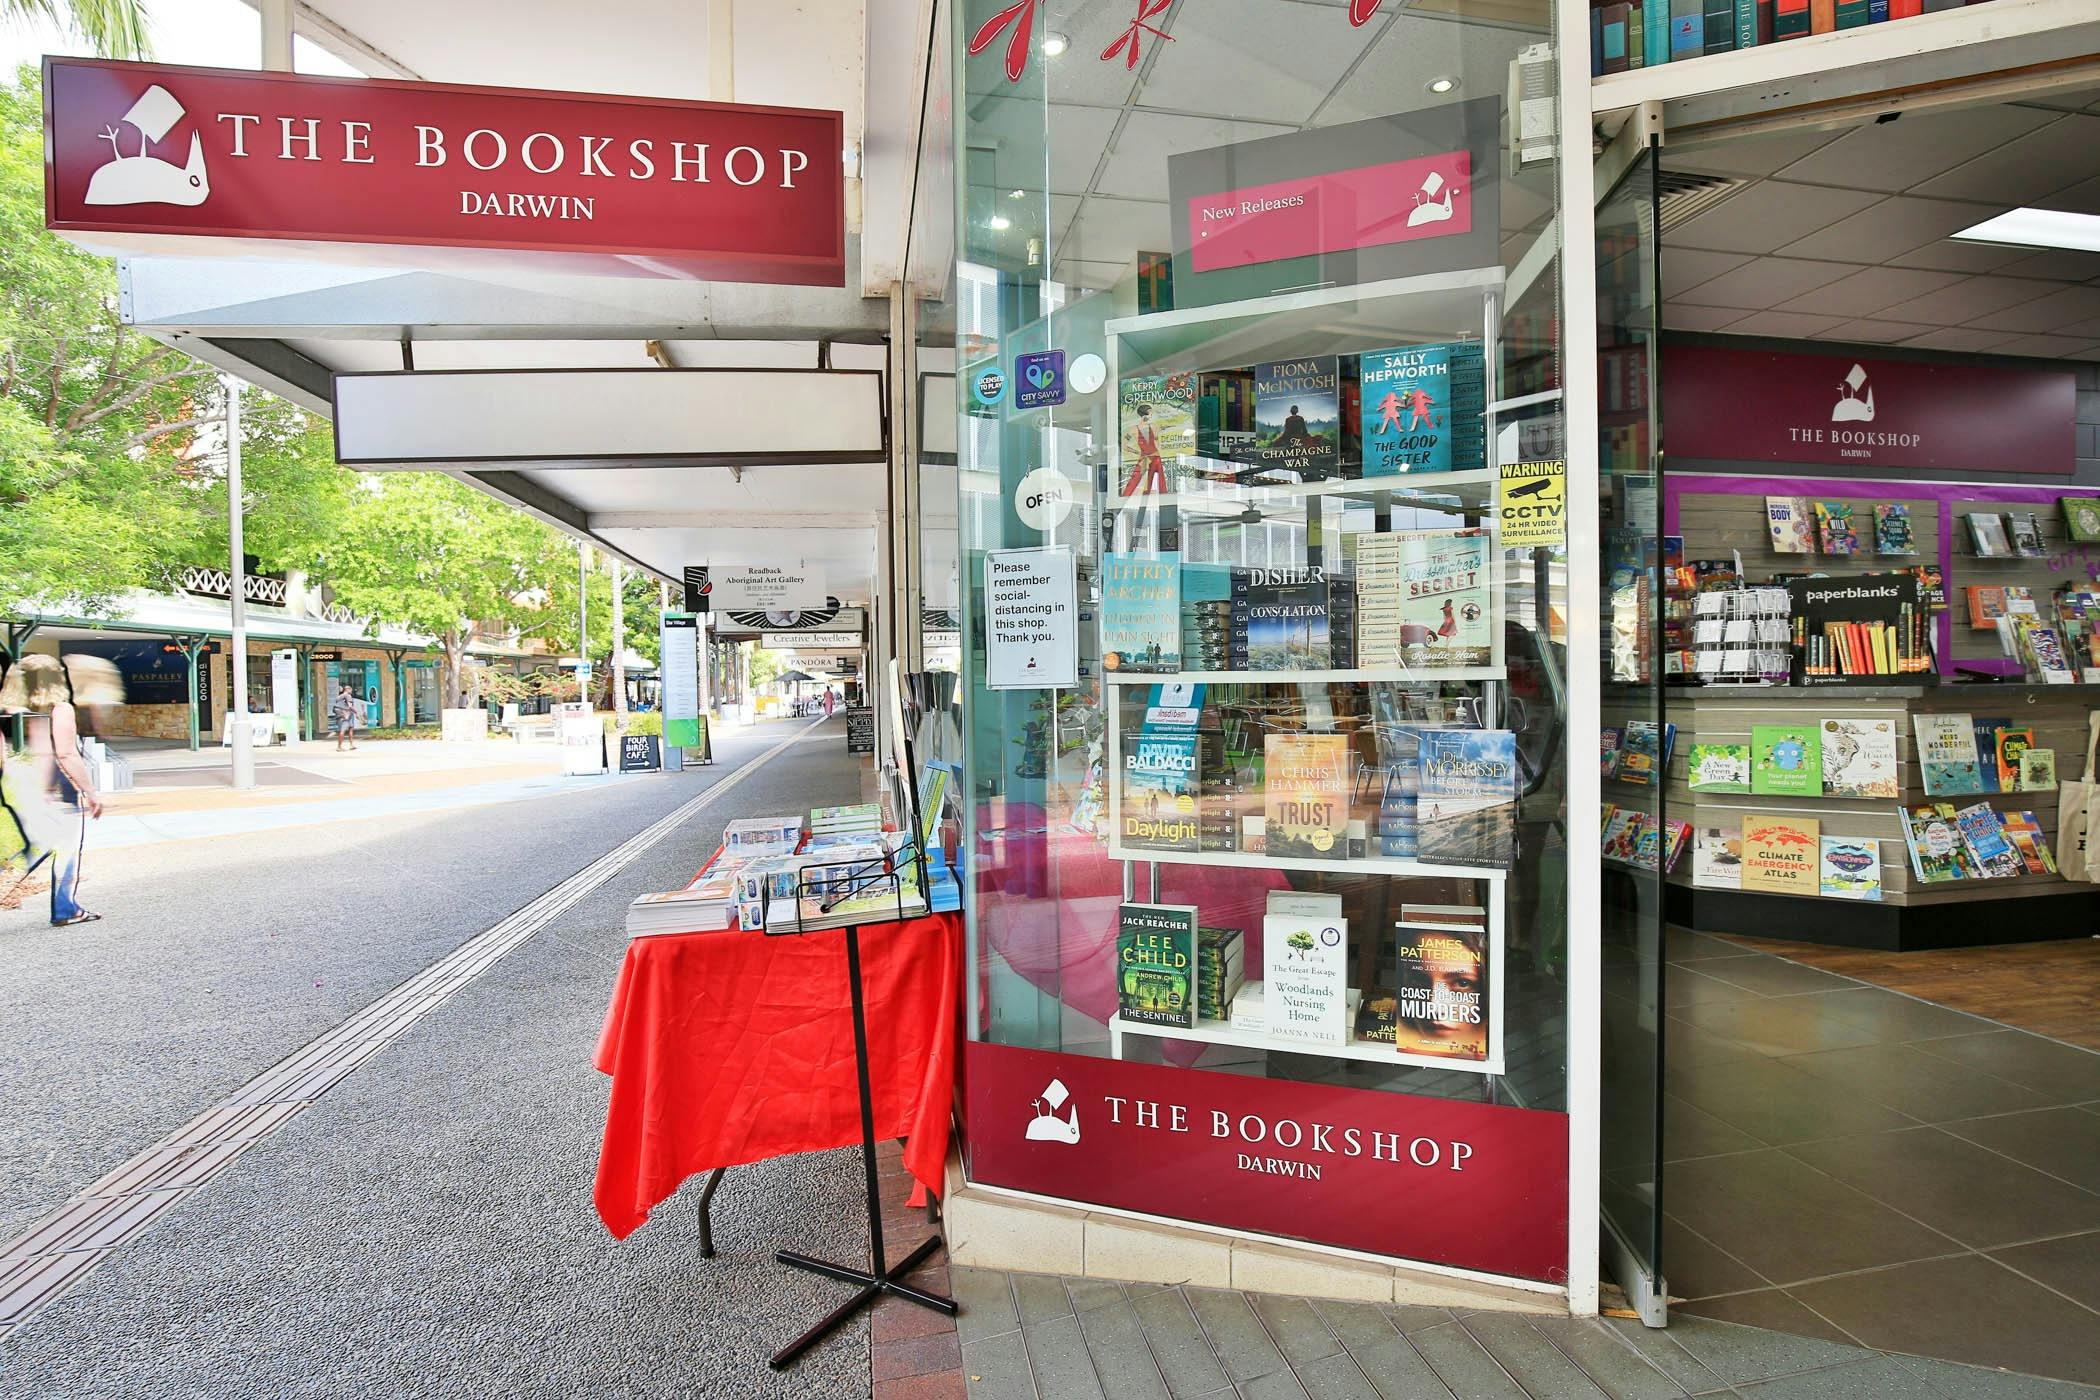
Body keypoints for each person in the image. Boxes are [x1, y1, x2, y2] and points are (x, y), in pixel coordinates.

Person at [0, 654, 104, 926]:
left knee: (37, 846)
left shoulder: (14, 710)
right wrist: (90, 791)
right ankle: (64, 908)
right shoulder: (59, 708)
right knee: (65, 847)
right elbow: (66, 754)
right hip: (55, 791)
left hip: (18, 787)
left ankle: (65, 906)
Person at [331, 681, 360, 751]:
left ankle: (351, 745)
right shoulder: (348, 695)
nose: (351, 691)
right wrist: (356, 712)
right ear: (348, 690)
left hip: (339, 715)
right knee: (344, 730)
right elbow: (350, 706)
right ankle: (339, 747)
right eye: (351, 690)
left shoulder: (338, 697)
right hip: (346, 714)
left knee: (350, 728)